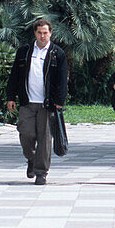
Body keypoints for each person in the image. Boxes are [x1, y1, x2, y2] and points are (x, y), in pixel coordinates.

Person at [6, 18, 68, 185]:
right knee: (26, 134)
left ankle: (41, 172)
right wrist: (10, 96)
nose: (42, 36)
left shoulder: (57, 53)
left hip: (47, 104)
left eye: (45, 33)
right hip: (27, 101)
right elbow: (14, 76)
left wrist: (59, 100)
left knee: (44, 138)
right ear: (35, 33)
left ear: (50, 33)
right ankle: (31, 159)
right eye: (39, 33)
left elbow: (62, 80)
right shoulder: (24, 52)